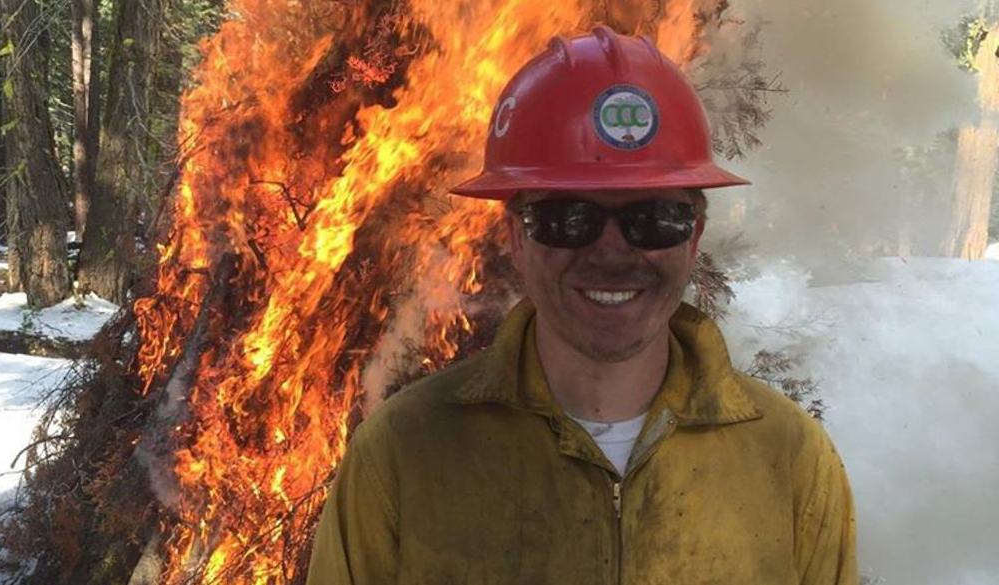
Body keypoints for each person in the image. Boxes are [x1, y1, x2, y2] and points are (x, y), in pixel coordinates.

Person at [306, 25, 858, 585]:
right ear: (517, 238)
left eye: (653, 220)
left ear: (692, 239)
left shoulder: (788, 455)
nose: (612, 252)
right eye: (569, 219)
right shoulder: (403, 452)